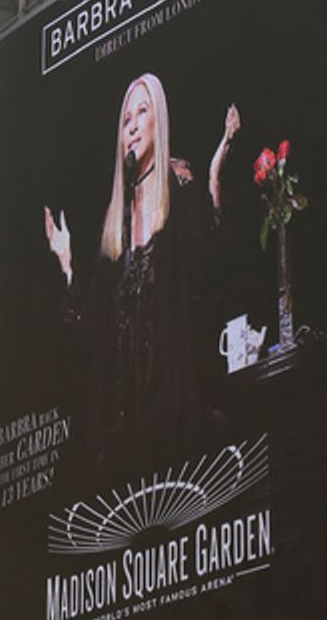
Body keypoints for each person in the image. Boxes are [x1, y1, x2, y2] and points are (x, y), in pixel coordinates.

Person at [44, 73, 240, 475]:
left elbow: (214, 279)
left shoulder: (181, 196)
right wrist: (66, 265)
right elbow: (87, 336)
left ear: (159, 120)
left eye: (142, 111)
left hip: (174, 423)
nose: (131, 125)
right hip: (119, 439)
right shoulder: (113, 224)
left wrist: (215, 180)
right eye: (125, 119)